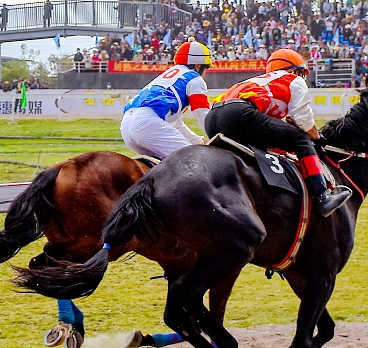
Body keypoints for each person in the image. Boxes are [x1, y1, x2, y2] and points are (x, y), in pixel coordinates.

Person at [204, 48, 351, 218]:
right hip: (238, 114)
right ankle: (321, 197)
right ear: (295, 70)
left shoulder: (260, 80)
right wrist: (318, 137)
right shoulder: (294, 80)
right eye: (302, 73)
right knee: (301, 139)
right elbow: (305, 122)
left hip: (212, 118)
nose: (303, 78)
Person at [120, 41, 211, 158]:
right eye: (206, 69)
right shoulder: (195, 78)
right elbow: (203, 115)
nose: (204, 74)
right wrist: (216, 139)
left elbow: (176, 125)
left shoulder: (168, 75)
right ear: (198, 66)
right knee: (194, 160)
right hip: (148, 125)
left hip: (126, 126)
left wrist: (198, 141)